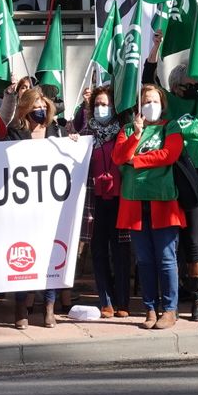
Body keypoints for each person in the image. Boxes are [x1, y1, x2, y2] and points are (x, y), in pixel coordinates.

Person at [115, 83, 185, 329]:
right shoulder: (126, 129)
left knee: (166, 258)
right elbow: (119, 158)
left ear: (162, 104)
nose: (150, 105)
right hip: (135, 203)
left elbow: (170, 154)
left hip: (163, 201)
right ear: (139, 105)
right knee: (144, 260)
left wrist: (137, 161)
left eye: (154, 100)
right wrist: (135, 134)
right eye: (146, 101)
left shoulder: (171, 127)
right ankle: (150, 309)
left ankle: (170, 309)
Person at [3, 85, 64, 328]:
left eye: (42, 106)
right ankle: (21, 305)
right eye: (34, 107)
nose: (39, 110)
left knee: (51, 256)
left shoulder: (56, 131)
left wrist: (72, 142)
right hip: (23, 207)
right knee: (25, 255)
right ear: (25, 109)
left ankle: (49, 306)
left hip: (52, 205)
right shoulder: (15, 132)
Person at [166, 69, 198, 320]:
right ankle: (172, 298)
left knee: (195, 241)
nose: (194, 87)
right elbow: (148, 76)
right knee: (171, 241)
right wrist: (155, 48)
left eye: (196, 83)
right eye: (189, 84)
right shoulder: (167, 102)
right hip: (172, 176)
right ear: (176, 86)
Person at [76, 86, 131, 319]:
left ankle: (122, 301)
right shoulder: (87, 133)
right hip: (95, 200)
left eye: (105, 104)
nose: (101, 108)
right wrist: (74, 139)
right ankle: (105, 301)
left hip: (120, 199)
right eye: (97, 104)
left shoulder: (124, 131)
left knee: (121, 251)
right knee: (98, 252)